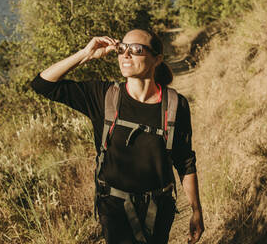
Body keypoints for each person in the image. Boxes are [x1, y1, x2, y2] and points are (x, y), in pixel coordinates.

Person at [30, 29, 204, 243]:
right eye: (122, 49)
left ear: (157, 59)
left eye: (136, 50)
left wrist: (196, 210)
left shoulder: (175, 104)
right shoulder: (104, 96)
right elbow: (43, 84)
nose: (125, 55)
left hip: (159, 210)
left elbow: (185, 161)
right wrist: (85, 54)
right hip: (114, 211)